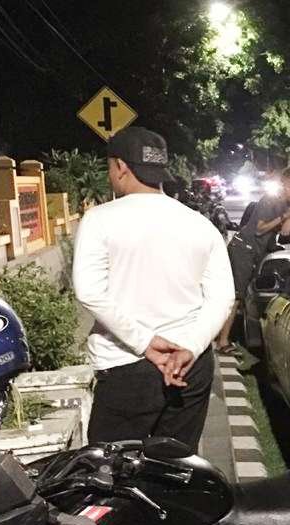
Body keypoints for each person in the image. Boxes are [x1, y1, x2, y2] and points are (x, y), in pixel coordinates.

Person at [73, 126, 234, 452]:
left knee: (114, 469)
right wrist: (190, 346)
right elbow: (222, 298)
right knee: (174, 466)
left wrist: (145, 342)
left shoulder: (100, 219)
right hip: (190, 366)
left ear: (120, 166)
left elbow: (89, 291)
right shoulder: (199, 224)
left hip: (125, 364)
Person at [217, 167, 290, 354]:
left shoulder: (286, 203)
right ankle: (222, 342)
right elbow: (260, 229)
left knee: (240, 297)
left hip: (255, 252)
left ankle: (224, 337)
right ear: (282, 186)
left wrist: (289, 220)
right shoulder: (269, 201)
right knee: (236, 296)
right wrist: (285, 218)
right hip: (244, 250)